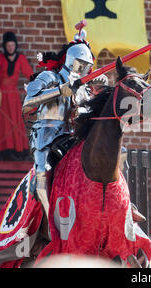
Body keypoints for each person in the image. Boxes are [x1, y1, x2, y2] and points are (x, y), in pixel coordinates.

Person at [22, 32, 96, 219]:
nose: (84, 69)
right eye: (82, 64)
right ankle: (44, 219)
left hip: (73, 136)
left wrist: (83, 112)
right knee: (43, 173)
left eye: (88, 66)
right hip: (46, 135)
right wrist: (60, 91)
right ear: (71, 61)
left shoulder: (83, 88)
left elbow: (88, 113)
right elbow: (28, 104)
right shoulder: (50, 76)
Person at [0, 32, 34, 160]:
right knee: (1, 122)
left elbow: (29, 74)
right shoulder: (0, 58)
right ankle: (0, 150)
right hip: (0, 95)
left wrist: (37, 85)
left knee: (14, 122)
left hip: (13, 96)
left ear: (16, 46)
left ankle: (15, 150)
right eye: (8, 45)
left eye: (12, 45)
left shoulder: (20, 58)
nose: (10, 48)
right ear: (5, 46)